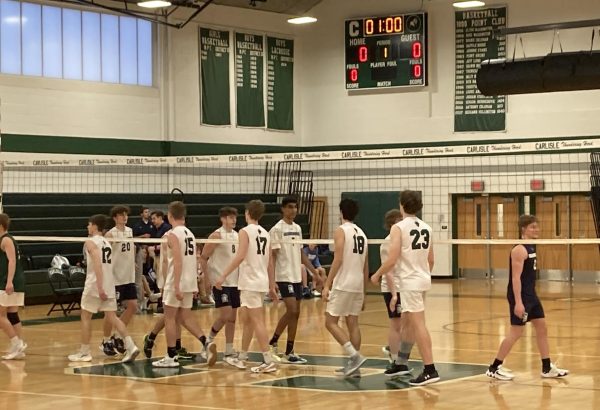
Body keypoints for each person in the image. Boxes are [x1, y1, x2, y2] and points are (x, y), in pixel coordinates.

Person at [486, 215, 569, 380]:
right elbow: (515, 278)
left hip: (531, 295)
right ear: (523, 229)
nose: (536, 230)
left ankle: (546, 367)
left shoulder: (532, 246)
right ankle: (494, 367)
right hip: (521, 296)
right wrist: (518, 303)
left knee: (542, 327)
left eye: (537, 227)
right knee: (516, 332)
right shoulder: (519, 249)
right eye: (532, 227)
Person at [373, 190, 438, 386]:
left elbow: (392, 259)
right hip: (421, 279)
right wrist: (422, 275)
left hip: (410, 282)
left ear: (402, 205)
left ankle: (430, 369)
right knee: (409, 321)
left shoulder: (398, 228)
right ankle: (401, 363)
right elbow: (431, 260)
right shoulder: (427, 227)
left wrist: (377, 274)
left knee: (418, 324)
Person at [215, 199, 279, 373]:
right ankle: (242, 357)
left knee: (256, 320)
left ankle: (268, 360)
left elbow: (240, 256)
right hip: (261, 281)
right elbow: (270, 263)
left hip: (250, 281)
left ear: (247, 213)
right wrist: (272, 286)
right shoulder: (265, 233)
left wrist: (223, 275)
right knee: (249, 321)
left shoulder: (244, 231)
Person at [152, 201, 216, 368]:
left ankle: (171, 356)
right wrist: (193, 281)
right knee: (185, 317)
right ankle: (206, 343)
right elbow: (193, 259)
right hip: (189, 280)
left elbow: (178, 262)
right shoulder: (190, 234)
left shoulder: (172, 235)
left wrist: (176, 285)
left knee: (170, 317)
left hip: (177, 281)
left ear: (169, 216)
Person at [68, 214, 140, 363]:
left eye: (89, 224)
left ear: (95, 226)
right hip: (110, 284)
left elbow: (97, 264)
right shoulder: (106, 242)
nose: (87, 227)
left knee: (86, 316)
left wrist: (99, 287)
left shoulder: (90, 242)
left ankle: (85, 352)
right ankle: (131, 346)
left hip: (96, 284)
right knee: (112, 317)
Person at [268, 196, 320, 364]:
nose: (294, 210)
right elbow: (272, 257)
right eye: (290, 207)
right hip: (283, 276)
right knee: (291, 310)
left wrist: (314, 273)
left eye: (295, 207)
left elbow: (301, 254)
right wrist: (272, 281)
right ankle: (273, 341)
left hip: (296, 276)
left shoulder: (297, 228)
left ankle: (290, 350)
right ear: (283, 209)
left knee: (296, 314)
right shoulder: (276, 229)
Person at [321, 198, 369, 377]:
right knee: (353, 323)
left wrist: (327, 284)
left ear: (341, 212)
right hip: (357, 284)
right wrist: (363, 292)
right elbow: (365, 266)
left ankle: (354, 356)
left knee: (330, 322)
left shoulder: (341, 230)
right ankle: (355, 367)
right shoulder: (362, 233)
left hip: (344, 283)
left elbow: (338, 258)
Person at [370, 209, 416, 376]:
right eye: (400, 220)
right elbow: (388, 272)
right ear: (393, 223)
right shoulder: (388, 242)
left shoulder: (402, 240)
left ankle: (395, 351)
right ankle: (396, 360)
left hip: (405, 286)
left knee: (407, 323)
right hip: (392, 287)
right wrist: (394, 294)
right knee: (396, 324)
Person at [200, 207, 244, 369]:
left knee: (232, 318)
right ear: (223, 219)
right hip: (220, 281)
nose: (233, 220)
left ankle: (229, 350)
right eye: (230, 217)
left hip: (234, 282)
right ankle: (208, 341)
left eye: (235, 217)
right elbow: (203, 258)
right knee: (225, 314)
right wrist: (206, 279)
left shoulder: (238, 236)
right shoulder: (216, 235)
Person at [102, 205, 138, 355]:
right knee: (110, 312)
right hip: (115, 277)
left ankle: (117, 335)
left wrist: (133, 261)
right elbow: (104, 254)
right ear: (115, 218)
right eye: (121, 215)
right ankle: (105, 340)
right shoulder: (111, 234)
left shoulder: (129, 231)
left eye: (126, 215)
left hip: (128, 275)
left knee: (133, 306)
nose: (125, 217)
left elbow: (132, 247)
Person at [0, 213, 27, 360]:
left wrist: (9, 281)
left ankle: (16, 343)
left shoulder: (6, 240)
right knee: (11, 315)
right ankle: (18, 347)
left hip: (9, 281)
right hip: (8, 280)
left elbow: (12, 261)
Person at [133, 206, 153, 310]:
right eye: (145, 212)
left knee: (142, 277)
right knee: (139, 277)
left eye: (148, 212)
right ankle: (140, 301)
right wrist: (143, 237)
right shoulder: (137, 226)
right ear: (141, 214)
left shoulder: (151, 225)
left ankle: (146, 298)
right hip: (140, 249)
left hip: (151, 250)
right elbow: (133, 238)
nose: (147, 214)